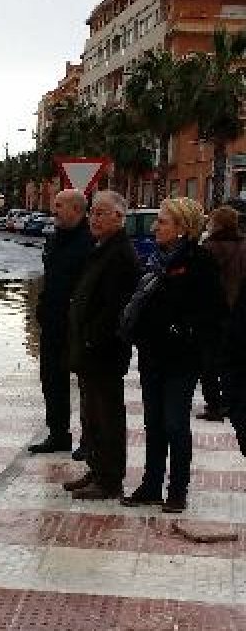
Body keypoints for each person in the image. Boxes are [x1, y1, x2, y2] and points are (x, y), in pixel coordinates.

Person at [120, 197, 224, 513]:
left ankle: (177, 490)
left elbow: (213, 313)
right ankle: (151, 485)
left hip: (182, 360)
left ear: (181, 228)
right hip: (153, 356)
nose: (154, 227)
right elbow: (143, 302)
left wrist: (183, 332)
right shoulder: (157, 259)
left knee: (175, 424)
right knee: (154, 423)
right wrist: (138, 334)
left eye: (162, 221)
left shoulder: (200, 261)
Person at [60, 191, 139, 500]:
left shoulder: (120, 255)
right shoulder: (101, 248)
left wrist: (92, 338)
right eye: (93, 212)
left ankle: (109, 479)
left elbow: (114, 309)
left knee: (107, 416)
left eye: (102, 213)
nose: (94, 218)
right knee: (91, 415)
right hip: (89, 351)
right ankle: (96, 468)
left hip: (103, 352)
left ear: (119, 218)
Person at [29, 189, 94, 457]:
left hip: (78, 326)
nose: (54, 210)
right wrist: (42, 309)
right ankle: (58, 434)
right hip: (53, 323)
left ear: (77, 210)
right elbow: (50, 277)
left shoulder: (89, 242)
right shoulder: (55, 240)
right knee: (51, 381)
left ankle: (89, 440)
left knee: (87, 386)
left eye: (59, 206)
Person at [195, 206, 246, 421]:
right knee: (231, 359)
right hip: (238, 311)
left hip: (212, 313)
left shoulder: (209, 248)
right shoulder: (244, 246)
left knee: (207, 361)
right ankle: (229, 401)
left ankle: (214, 404)